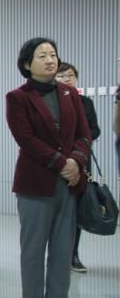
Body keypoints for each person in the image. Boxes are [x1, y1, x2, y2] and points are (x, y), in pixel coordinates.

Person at [6, 38, 91, 298]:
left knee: (62, 246)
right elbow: (26, 139)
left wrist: (76, 162)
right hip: (35, 183)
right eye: (42, 55)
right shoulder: (18, 97)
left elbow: (84, 134)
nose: (50, 60)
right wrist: (62, 163)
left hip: (69, 183)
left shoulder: (69, 93)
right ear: (27, 64)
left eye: (52, 54)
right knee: (33, 247)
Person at [54, 62, 100, 273]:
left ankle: (73, 255)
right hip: (54, 162)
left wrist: (77, 144)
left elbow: (94, 130)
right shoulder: (49, 102)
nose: (67, 79)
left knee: (76, 211)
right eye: (62, 76)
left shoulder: (85, 102)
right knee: (54, 212)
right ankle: (55, 255)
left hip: (80, 161)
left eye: (71, 75)